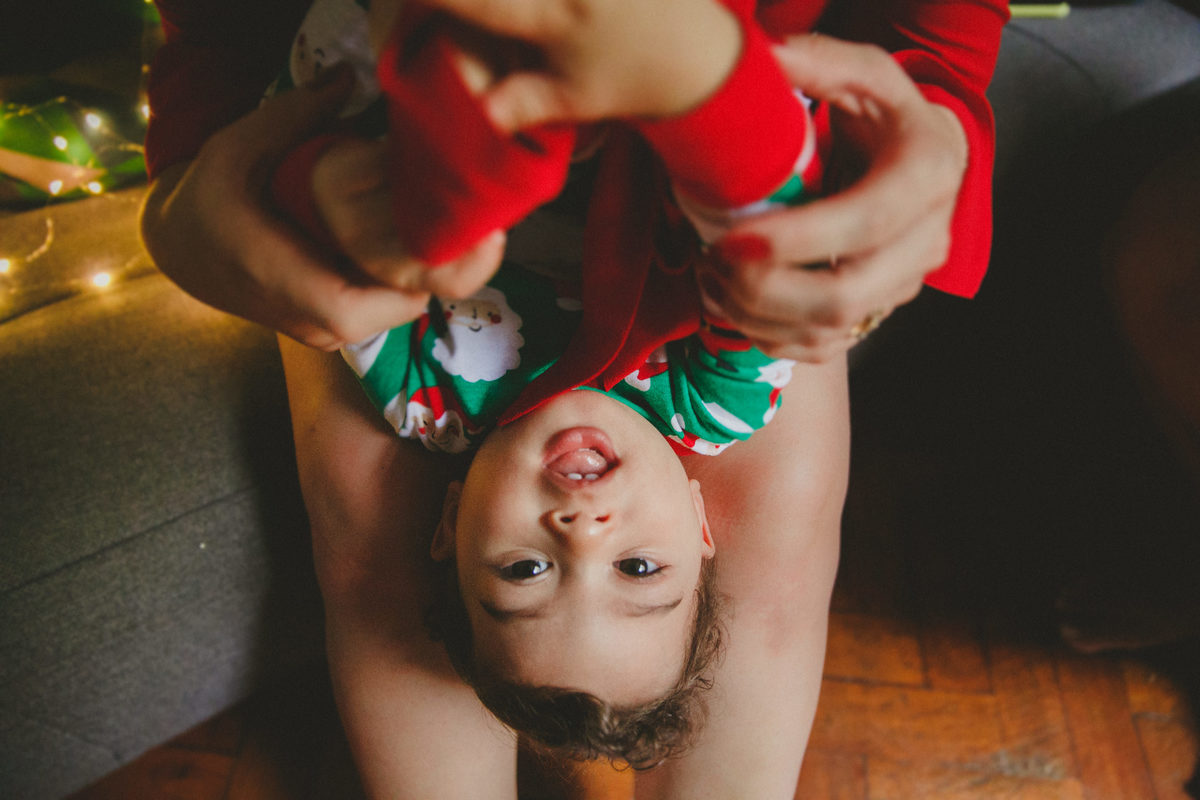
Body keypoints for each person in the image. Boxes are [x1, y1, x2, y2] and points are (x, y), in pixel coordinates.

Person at [139, 0, 1007, 796]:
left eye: (523, 571)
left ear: (448, 529)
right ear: (702, 531)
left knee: (402, 232)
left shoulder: (428, 405)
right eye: (639, 569)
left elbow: (353, 252)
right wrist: (707, 92)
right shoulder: (716, 409)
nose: (582, 534)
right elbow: (757, 233)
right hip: (701, 119)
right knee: (771, 256)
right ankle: (682, 75)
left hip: (426, 96)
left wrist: (296, 188)